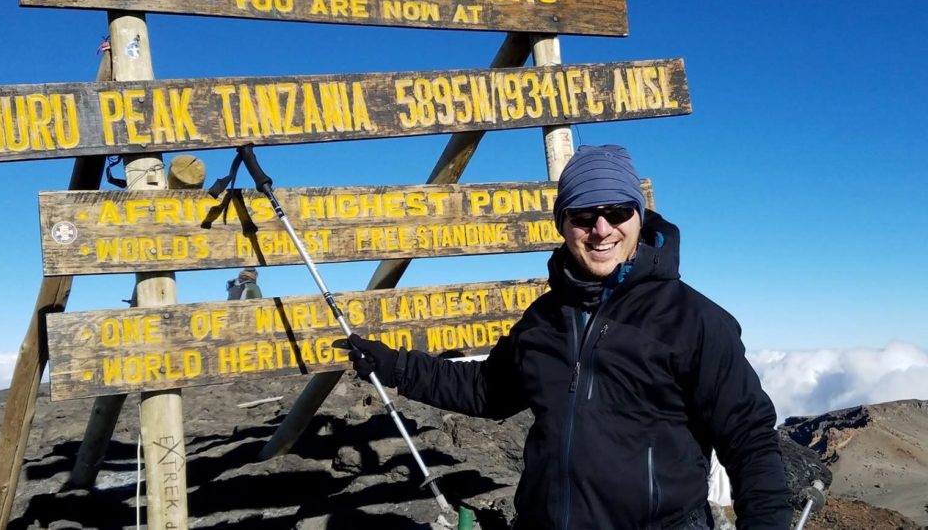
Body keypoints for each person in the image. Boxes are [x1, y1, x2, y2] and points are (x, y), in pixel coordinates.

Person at [338, 145, 791, 530]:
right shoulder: (545, 319)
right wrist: (393, 366)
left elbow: (748, 438)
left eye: (617, 212)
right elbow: (486, 390)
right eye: (583, 215)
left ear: (639, 216)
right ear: (562, 223)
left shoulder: (694, 320)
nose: (601, 229)